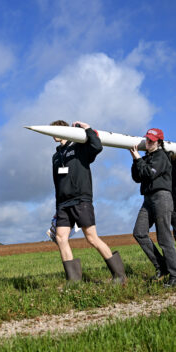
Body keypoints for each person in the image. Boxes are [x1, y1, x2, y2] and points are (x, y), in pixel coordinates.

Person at [50, 120, 126, 284]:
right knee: (61, 238)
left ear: (65, 131)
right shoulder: (56, 156)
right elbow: (57, 183)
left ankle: (119, 276)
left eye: (56, 129)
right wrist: (57, 208)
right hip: (63, 204)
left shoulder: (79, 146)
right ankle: (74, 281)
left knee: (91, 238)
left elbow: (97, 147)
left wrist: (88, 128)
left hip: (81, 199)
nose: (52, 133)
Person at [130, 128, 176, 288]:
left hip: (161, 197)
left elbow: (148, 174)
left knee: (164, 238)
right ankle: (162, 267)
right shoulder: (147, 157)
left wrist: (139, 159)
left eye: (151, 140)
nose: (148, 142)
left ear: (159, 142)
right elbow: (137, 177)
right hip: (148, 199)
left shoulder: (161, 156)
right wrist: (135, 160)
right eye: (147, 139)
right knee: (139, 233)